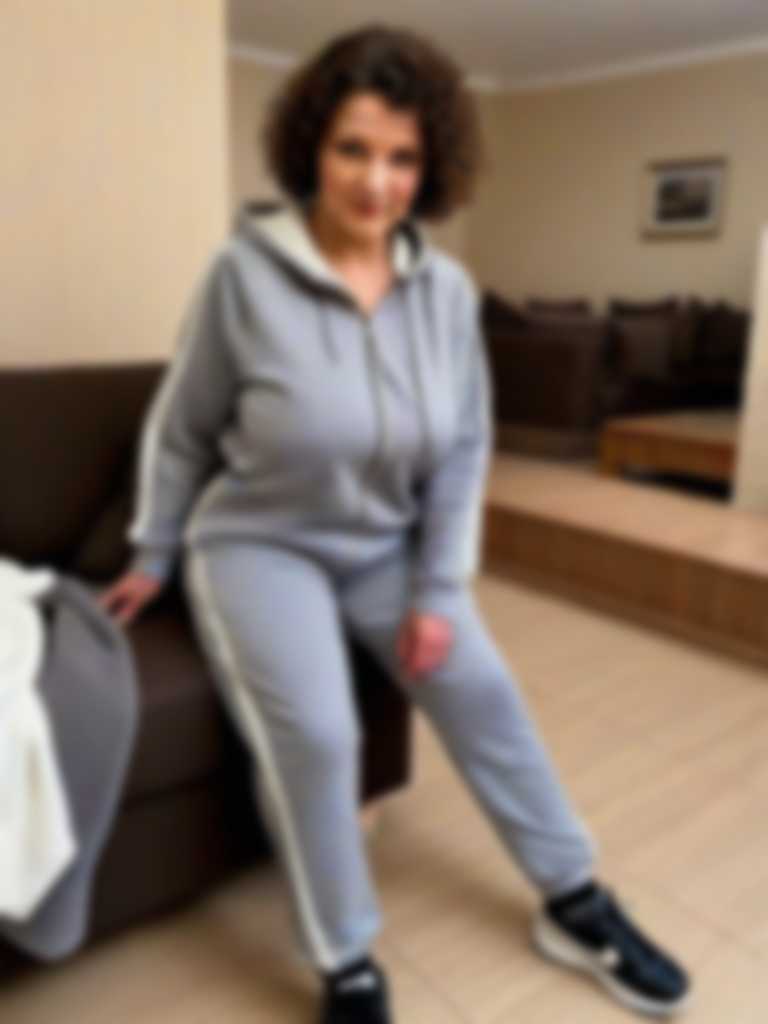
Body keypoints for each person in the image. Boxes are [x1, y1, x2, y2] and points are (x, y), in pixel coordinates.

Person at [98, 23, 691, 1024]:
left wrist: (439, 589)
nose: (377, 182)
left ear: (432, 164)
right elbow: (182, 428)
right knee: (322, 736)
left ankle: (574, 898)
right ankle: (345, 959)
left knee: (485, 690)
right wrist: (153, 552)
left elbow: (463, 448)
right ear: (311, 150)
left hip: (385, 545)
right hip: (261, 544)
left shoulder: (447, 294)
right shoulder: (242, 278)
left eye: (402, 157)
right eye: (353, 149)